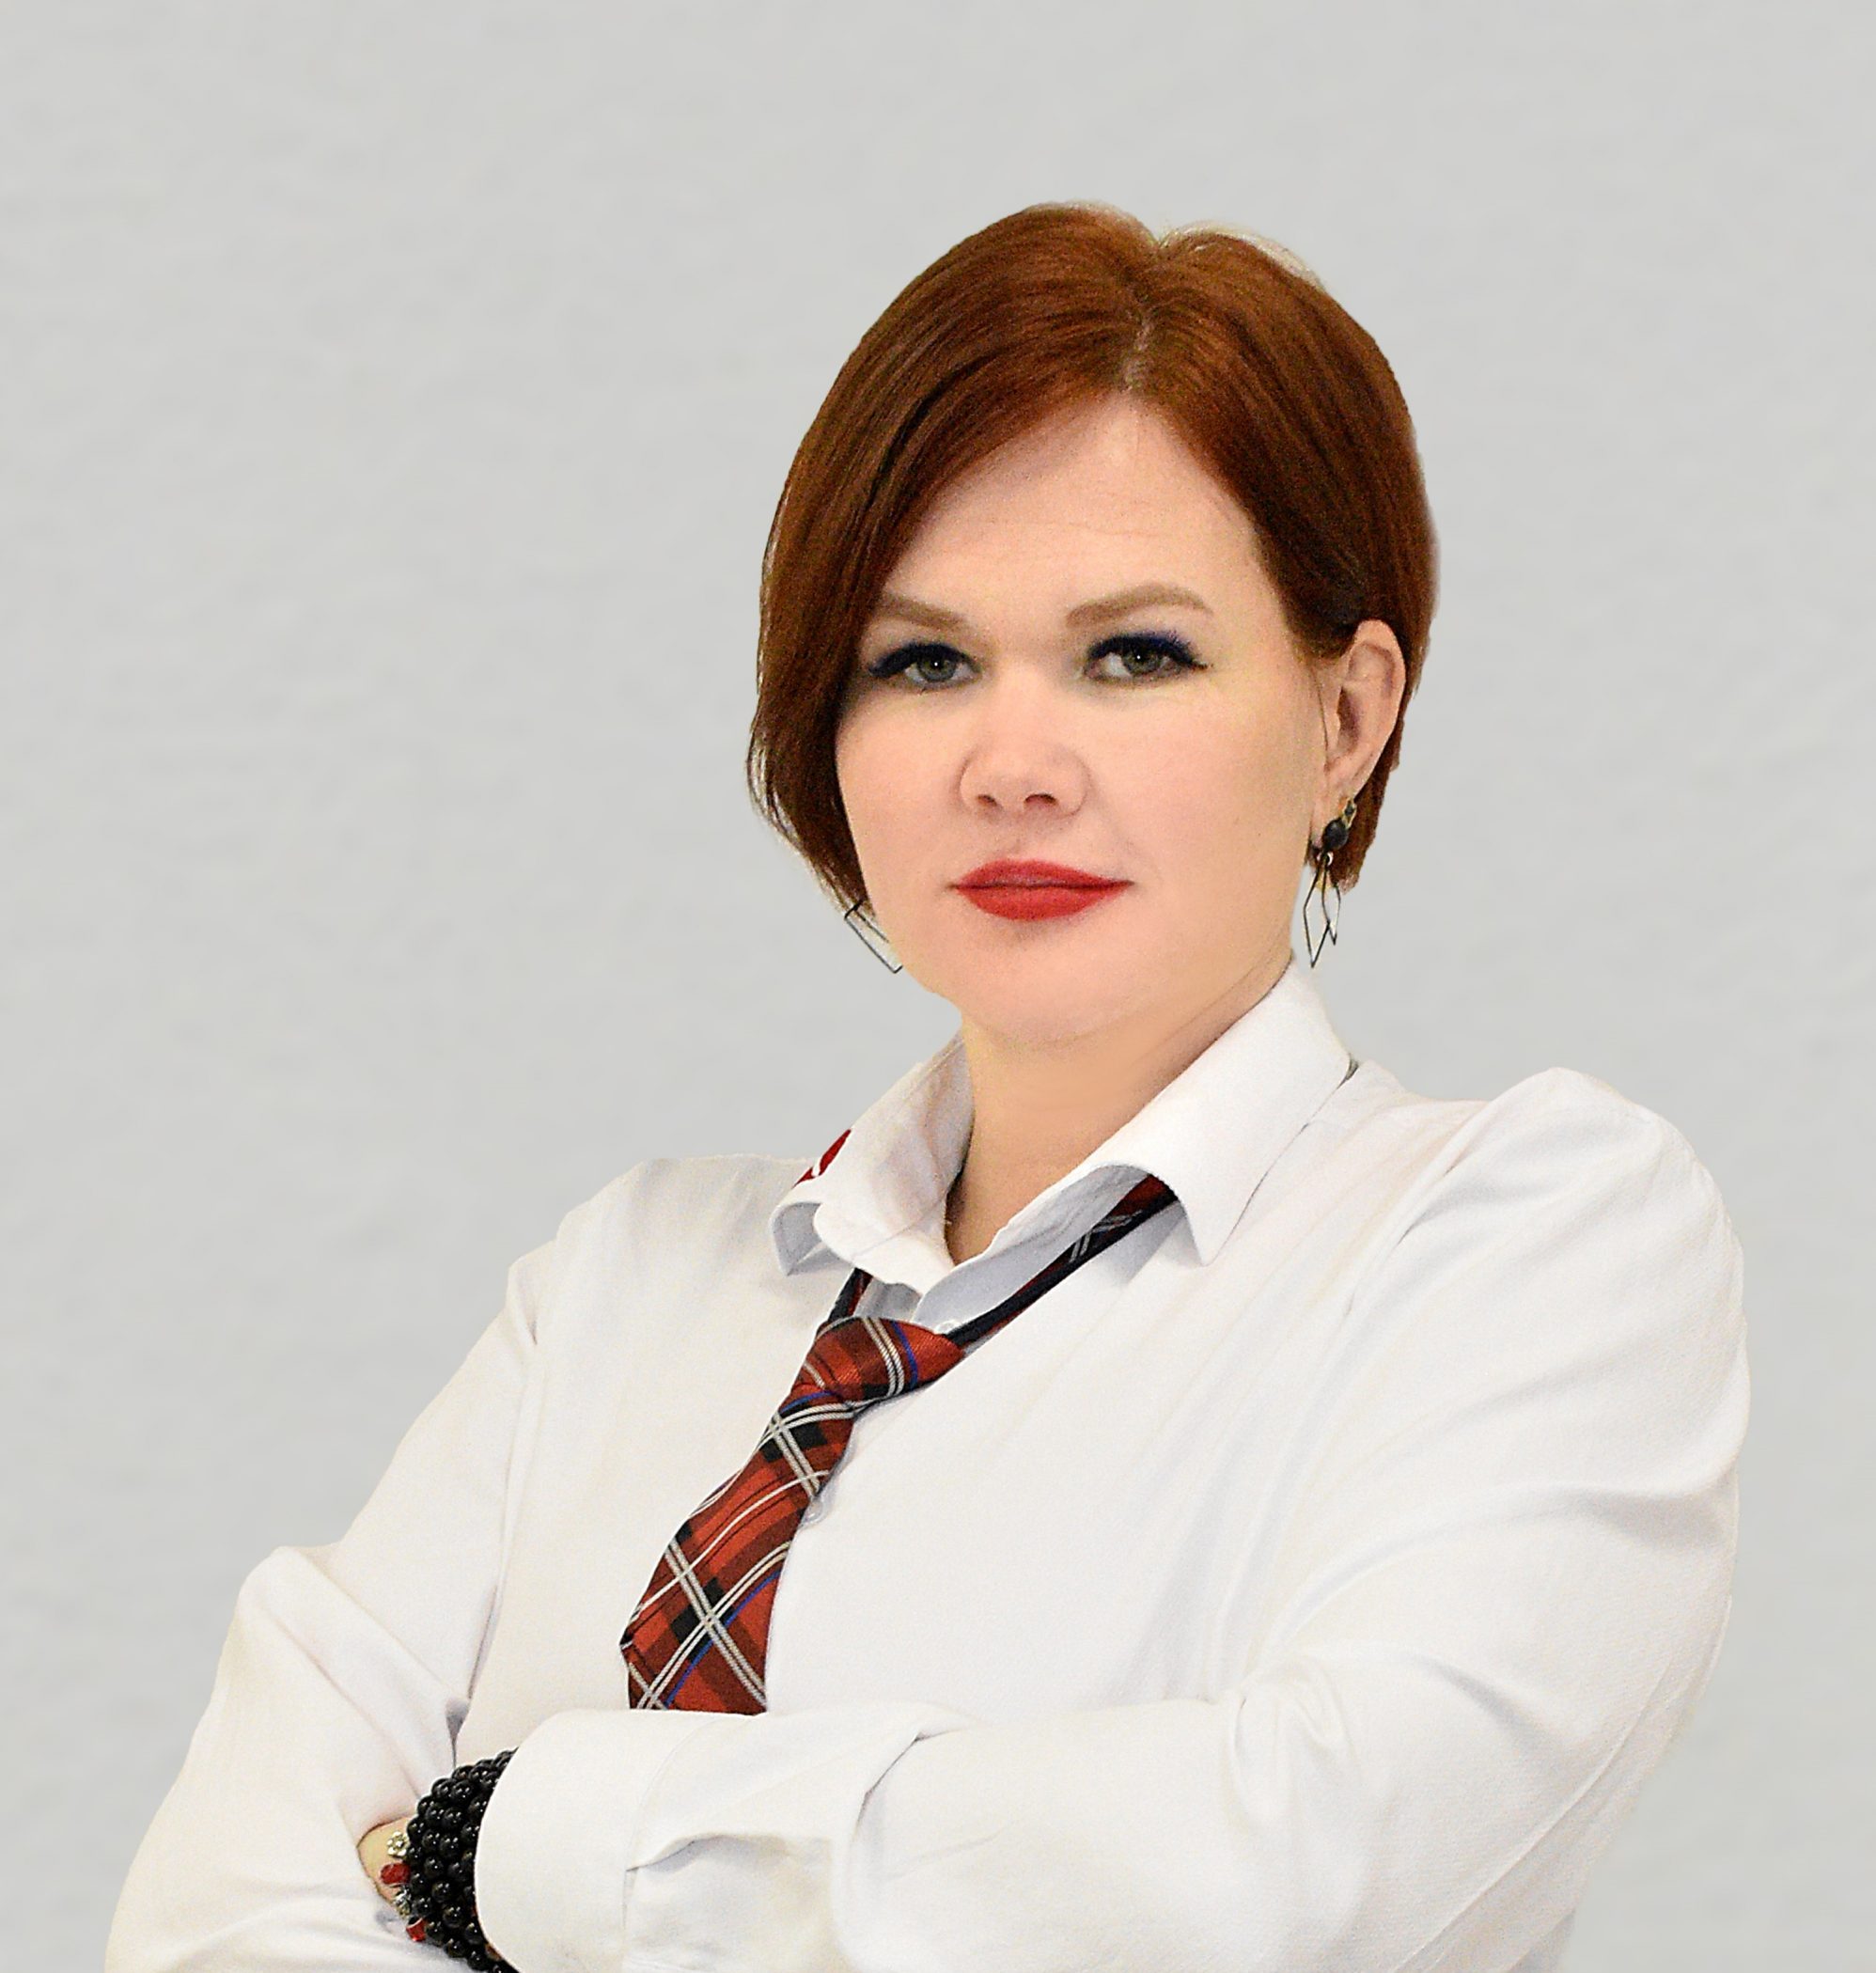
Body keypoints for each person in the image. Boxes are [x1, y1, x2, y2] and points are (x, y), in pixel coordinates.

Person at [104, 202, 1748, 1973]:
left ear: (1346, 718)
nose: (1011, 765)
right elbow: (211, 1920)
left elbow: (1305, 1876)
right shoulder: (626, 1284)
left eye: (1136, 654)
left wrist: (517, 1842)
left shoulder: (1524, 1241)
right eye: (922, 662)